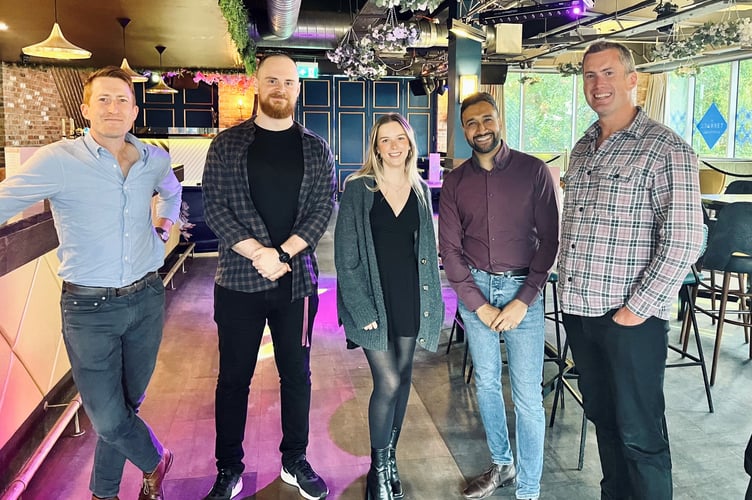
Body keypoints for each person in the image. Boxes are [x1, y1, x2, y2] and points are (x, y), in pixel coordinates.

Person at [0, 66, 181, 500]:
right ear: (86, 109)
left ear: (135, 111)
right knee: (107, 418)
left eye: (121, 100)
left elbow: (172, 192)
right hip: (88, 310)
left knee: (125, 409)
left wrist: (161, 228)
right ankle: (156, 458)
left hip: (146, 300)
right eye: (103, 99)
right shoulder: (59, 159)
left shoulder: (153, 158)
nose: (113, 108)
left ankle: (104, 494)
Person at [557, 40, 703, 500]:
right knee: (604, 422)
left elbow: (685, 239)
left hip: (630, 319)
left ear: (633, 79)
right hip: (581, 312)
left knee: (640, 434)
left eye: (608, 73)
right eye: (589, 75)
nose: (598, 85)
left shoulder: (666, 149)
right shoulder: (582, 148)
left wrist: (634, 311)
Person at [201, 52, 336, 500]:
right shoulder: (227, 144)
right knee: (233, 378)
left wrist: (283, 253)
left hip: (295, 285)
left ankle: (295, 459)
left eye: (289, 82)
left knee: (296, 375)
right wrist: (261, 252)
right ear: (257, 85)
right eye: (272, 80)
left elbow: (323, 208)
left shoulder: (316, 147)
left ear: (298, 89)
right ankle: (229, 468)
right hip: (238, 281)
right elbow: (215, 208)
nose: (280, 88)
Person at [439, 92, 559, 500]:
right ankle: (502, 464)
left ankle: (528, 489)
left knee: (527, 396)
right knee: (487, 384)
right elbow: (450, 250)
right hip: (476, 292)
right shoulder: (455, 182)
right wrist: (480, 304)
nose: (480, 129)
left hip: (524, 291)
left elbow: (550, 241)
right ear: (464, 129)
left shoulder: (533, 171)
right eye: (471, 123)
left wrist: (524, 298)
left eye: (486, 119)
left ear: (499, 119)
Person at [334, 114, 444, 500]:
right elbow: (345, 256)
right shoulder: (359, 188)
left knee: (403, 380)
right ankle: (378, 473)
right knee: (389, 382)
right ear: (375, 147)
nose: (394, 146)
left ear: (410, 144)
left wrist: (434, 305)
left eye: (401, 138)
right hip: (372, 300)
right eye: (386, 140)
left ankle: (390, 461)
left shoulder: (420, 189)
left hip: (410, 298)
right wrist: (361, 310)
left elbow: (426, 253)